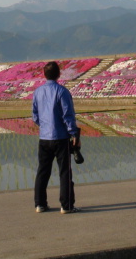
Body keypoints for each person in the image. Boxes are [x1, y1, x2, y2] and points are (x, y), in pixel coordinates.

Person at [32, 61, 81, 214]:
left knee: (42, 171)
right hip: (61, 138)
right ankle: (66, 205)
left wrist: (45, 126)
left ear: (44, 75)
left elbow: (35, 116)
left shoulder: (38, 92)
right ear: (59, 74)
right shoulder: (62, 92)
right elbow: (68, 116)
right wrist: (73, 134)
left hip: (44, 138)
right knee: (65, 172)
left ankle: (40, 204)